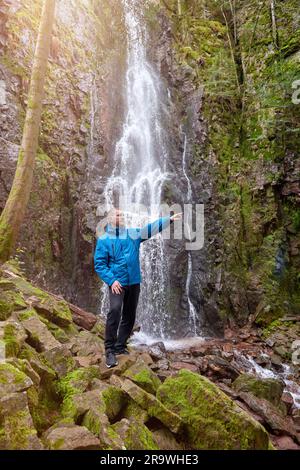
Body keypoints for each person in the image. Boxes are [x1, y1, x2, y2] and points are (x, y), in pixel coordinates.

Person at [94, 207, 182, 368]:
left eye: (122, 214)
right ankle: (109, 351)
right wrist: (112, 280)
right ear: (110, 219)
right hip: (117, 283)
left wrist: (167, 220)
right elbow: (100, 265)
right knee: (114, 311)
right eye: (118, 215)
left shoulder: (133, 234)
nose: (121, 216)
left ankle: (121, 346)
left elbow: (149, 229)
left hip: (134, 281)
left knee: (129, 315)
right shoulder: (104, 239)